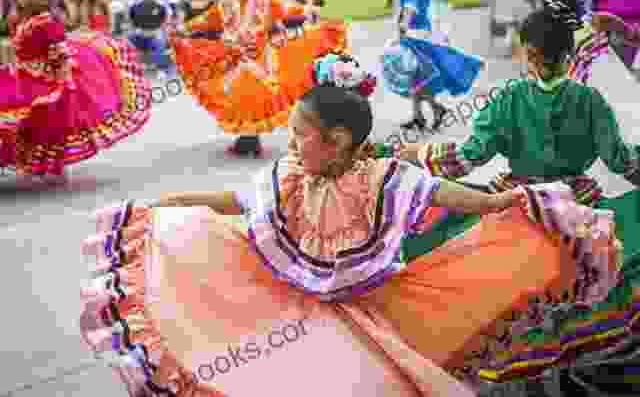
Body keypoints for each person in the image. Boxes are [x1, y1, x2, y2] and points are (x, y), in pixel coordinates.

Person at [79, 49, 622, 397]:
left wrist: (499, 206)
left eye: (298, 134)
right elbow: (237, 200)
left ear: (337, 142)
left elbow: (445, 193)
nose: (290, 145)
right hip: (294, 300)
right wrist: (179, 202)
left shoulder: (383, 177)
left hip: (371, 308)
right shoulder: (293, 175)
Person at [396, 0, 640, 392]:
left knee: (509, 290)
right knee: (576, 285)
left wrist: (416, 155)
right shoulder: (591, 101)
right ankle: (565, 366)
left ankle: (514, 372)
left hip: (519, 203)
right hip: (576, 207)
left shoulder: (508, 100)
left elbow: (468, 157)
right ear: (568, 54)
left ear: (528, 54)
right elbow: (621, 161)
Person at [0, 0, 151, 181]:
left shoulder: (47, 22)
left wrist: (66, 83)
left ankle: (52, 165)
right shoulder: (24, 19)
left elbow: (60, 54)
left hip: (45, 82)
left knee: (43, 123)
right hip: (24, 75)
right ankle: (40, 163)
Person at [170, 0, 348, 156]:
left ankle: (250, 139)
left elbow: (289, 11)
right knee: (240, 97)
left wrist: (310, 12)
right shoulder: (225, 6)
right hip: (234, 59)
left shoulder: (265, 2)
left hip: (260, 59)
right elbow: (206, 21)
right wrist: (184, 29)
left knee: (253, 96)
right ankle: (247, 139)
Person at [382, 0, 483, 132]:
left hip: (413, 39)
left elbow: (409, 11)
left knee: (415, 80)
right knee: (418, 80)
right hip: (425, 37)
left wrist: (401, 31)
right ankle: (421, 116)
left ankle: (433, 111)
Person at [128, 0, 172, 79]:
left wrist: (159, 32)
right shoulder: (135, 6)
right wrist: (137, 31)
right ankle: (131, 68)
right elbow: (131, 22)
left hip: (154, 34)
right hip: (139, 35)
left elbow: (164, 24)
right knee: (128, 39)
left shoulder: (160, 7)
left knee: (160, 40)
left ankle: (161, 69)